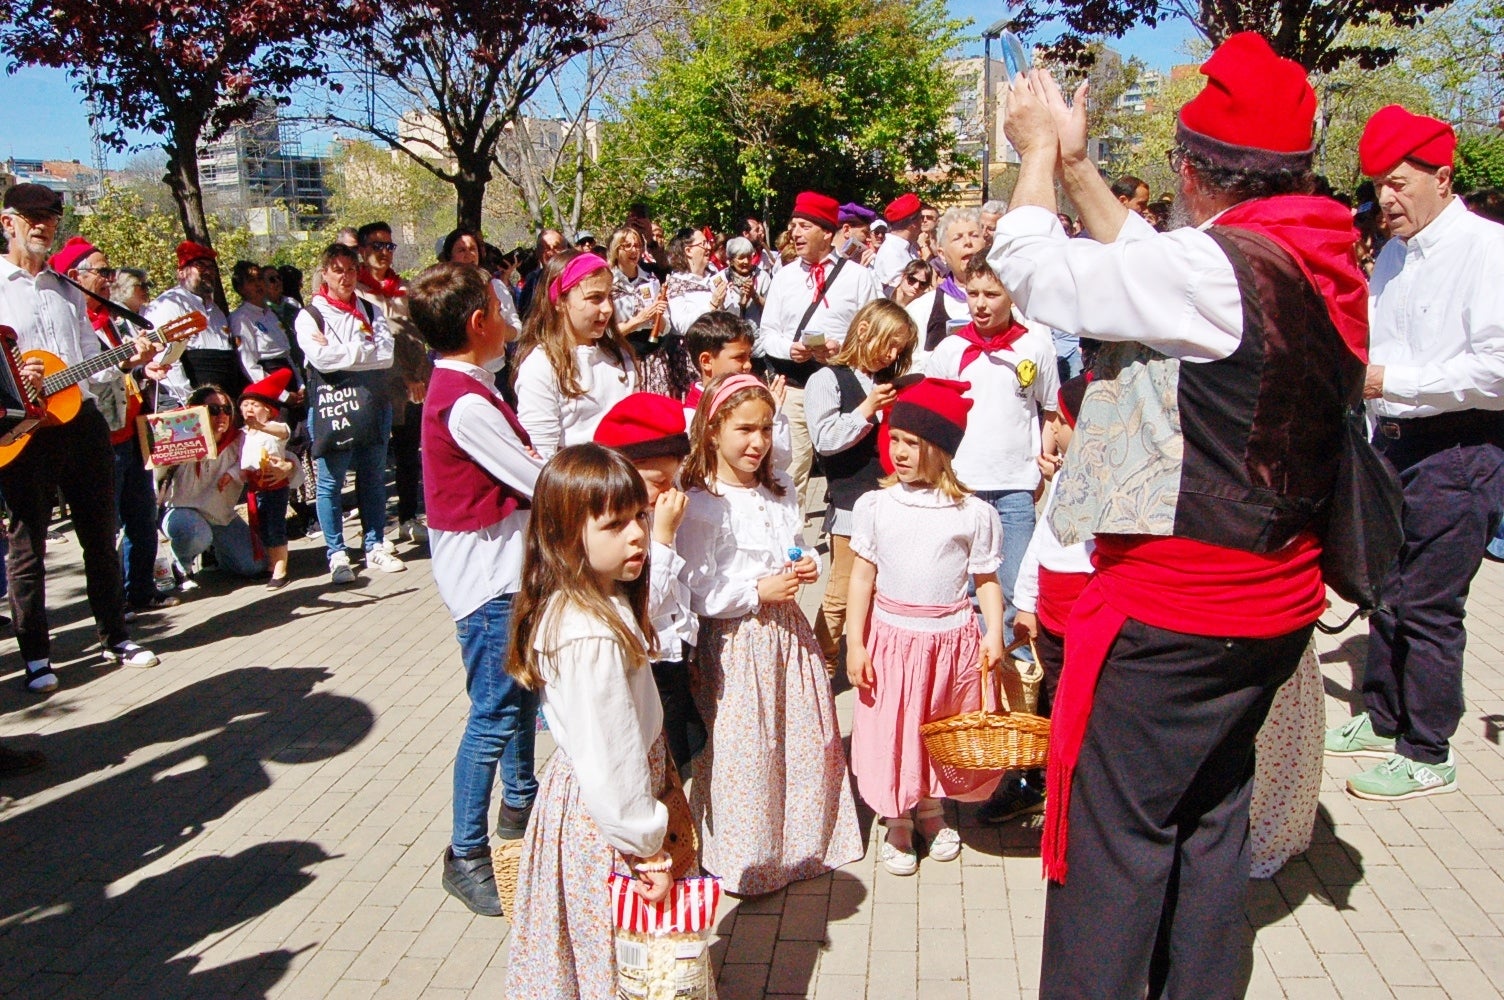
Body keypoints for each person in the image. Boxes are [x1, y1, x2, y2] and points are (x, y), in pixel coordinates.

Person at [993, 35, 1366, 997]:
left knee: (1117, 840)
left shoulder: (1216, 269)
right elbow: (1164, 268)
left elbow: (1032, 270)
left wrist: (1035, 155)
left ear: (1194, 172)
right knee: (1207, 817)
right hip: (1274, 603)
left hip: (1181, 611)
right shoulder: (1309, 249)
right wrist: (1081, 171)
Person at [1324, 105, 1504, 801]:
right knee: (1386, 591)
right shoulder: (1395, 254)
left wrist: (1390, 382)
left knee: (1429, 603)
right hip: (1392, 444)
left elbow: (1496, 371)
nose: (1386, 201)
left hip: (1461, 448)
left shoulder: (1487, 250)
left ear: (1442, 177)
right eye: (1378, 185)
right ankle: (1382, 714)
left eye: (1398, 183)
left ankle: (1427, 750)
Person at [677, 373, 864, 895]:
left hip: (786, 634)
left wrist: (800, 566)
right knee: (746, 749)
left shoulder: (777, 490)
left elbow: (792, 546)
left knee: (802, 739)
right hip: (736, 643)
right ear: (712, 430)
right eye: (743, 430)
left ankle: (803, 845)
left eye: (764, 429)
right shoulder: (703, 502)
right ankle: (749, 856)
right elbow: (698, 588)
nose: (757, 442)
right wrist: (757, 590)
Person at [501, 444, 677, 997]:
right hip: (608, 820)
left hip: (595, 808)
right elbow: (613, 755)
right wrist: (648, 846)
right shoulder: (588, 633)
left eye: (640, 518)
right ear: (565, 535)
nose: (637, 536)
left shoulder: (593, 600)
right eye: (615, 525)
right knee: (624, 957)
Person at [406, 261, 543, 918]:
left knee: (519, 702)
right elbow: (534, 480)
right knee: (491, 717)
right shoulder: (463, 402)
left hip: (506, 573)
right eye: (500, 302)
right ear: (479, 323)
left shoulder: (473, 386)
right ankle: (465, 854)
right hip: (488, 584)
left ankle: (522, 808)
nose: (511, 311)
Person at [0, 183, 161, 690]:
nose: (44, 224)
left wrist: (127, 359)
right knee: (29, 546)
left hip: (82, 421)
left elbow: (89, 368)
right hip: (25, 431)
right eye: (32, 216)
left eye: (51, 214)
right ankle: (36, 658)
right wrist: (14, 378)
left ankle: (115, 636)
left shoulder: (71, 289)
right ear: (8, 223)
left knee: (100, 533)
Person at [845, 377, 1005, 875]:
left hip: (950, 640)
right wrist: (855, 642)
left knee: (938, 724)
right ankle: (896, 816)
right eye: (894, 440)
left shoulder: (971, 513)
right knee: (895, 727)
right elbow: (862, 578)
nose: (899, 452)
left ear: (941, 450)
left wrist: (994, 633)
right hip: (892, 638)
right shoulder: (877, 506)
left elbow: (986, 580)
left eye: (912, 444)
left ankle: (932, 809)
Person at [924, 251, 1059, 650]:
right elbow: (934, 416)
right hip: (962, 483)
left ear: (1011, 297)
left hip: (1015, 483)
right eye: (973, 293)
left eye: (992, 295)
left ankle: (1012, 679)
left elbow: (1050, 410)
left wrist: (1042, 461)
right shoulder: (950, 350)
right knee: (965, 586)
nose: (980, 304)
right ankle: (970, 670)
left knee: (1016, 588)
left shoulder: (1035, 346)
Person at [50, 237, 176, 615]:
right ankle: (114, 601)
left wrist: (143, 367)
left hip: (131, 430)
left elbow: (122, 370)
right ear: (75, 276)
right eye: (102, 271)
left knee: (142, 517)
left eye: (110, 271)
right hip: (100, 435)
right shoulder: (75, 324)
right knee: (108, 525)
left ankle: (140, 590)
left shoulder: (113, 323)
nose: (109, 278)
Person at [593, 393, 703, 775]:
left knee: (681, 755)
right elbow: (644, 605)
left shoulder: (656, 512)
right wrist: (664, 539)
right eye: (659, 482)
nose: (669, 491)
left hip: (673, 656)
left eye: (674, 479)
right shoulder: (619, 535)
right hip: (643, 665)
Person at [755, 191, 882, 514]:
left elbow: (873, 331)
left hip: (843, 387)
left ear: (827, 232)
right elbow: (766, 334)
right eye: (793, 225)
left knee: (844, 468)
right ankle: (793, 546)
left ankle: (846, 540)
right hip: (795, 386)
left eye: (804, 226)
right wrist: (789, 348)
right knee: (792, 470)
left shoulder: (857, 277)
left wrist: (842, 349)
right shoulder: (783, 278)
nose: (795, 233)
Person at [806, 299, 916, 673]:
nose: (892, 353)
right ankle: (820, 668)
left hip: (890, 501)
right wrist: (867, 409)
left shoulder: (887, 382)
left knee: (881, 590)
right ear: (865, 330)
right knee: (840, 594)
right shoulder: (827, 379)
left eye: (899, 348)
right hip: (852, 506)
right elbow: (824, 440)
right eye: (889, 342)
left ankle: (869, 658)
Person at [295, 243, 406, 583]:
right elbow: (319, 359)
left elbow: (386, 356)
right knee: (331, 481)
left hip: (372, 404)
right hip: (332, 408)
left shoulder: (371, 310)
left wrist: (344, 351)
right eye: (338, 270)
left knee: (373, 475)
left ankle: (373, 544)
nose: (345, 276)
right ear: (325, 273)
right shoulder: (310, 315)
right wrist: (362, 350)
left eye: (351, 270)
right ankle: (337, 553)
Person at [514, 251, 640, 457]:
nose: (607, 308)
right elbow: (541, 454)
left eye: (610, 296)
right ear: (560, 301)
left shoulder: (619, 356)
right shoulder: (542, 365)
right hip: (575, 483)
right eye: (595, 298)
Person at [356, 221, 431, 546]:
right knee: (372, 460)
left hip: (412, 389)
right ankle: (372, 530)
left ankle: (407, 518)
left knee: (407, 454)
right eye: (377, 246)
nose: (384, 252)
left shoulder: (404, 290)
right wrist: (404, 376)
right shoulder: (356, 292)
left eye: (389, 246)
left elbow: (417, 340)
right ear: (362, 250)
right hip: (374, 390)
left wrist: (420, 378)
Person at [158, 384, 273, 584]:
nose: (222, 415)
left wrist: (287, 466)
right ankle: (181, 563)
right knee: (197, 533)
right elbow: (155, 475)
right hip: (181, 512)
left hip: (219, 516)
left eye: (227, 409)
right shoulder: (182, 438)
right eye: (213, 410)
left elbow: (267, 455)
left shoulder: (241, 440)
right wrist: (165, 456)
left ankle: (214, 554)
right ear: (196, 412)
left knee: (254, 566)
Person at [145, 241, 247, 404]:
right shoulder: (169, 304)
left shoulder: (216, 310)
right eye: (200, 266)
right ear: (181, 272)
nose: (208, 271)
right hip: (187, 399)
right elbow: (166, 359)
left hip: (221, 400)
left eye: (211, 267)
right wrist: (187, 399)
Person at [238, 370, 301, 589]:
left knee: (275, 526)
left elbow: (283, 432)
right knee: (261, 526)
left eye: (255, 405)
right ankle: (271, 563)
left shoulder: (276, 428)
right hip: (255, 487)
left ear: (268, 410)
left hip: (274, 486)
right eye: (245, 405)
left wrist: (261, 426)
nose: (249, 409)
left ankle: (280, 568)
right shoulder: (244, 434)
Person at [904, 207, 984, 366]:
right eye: (958, 238)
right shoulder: (922, 309)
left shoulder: (1009, 303)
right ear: (941, 254)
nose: (968, 242)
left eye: (974, 235)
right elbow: (909, 365)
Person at [228, 261, 297, 383]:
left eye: (259, 279)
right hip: (269, 379)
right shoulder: (241, 318)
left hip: (290, 375)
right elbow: (248, 364)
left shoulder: (271, 314)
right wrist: (281, 393)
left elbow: (287, 352)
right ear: (240, 289)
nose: (258, 284)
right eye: (251, 281)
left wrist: (300, 383)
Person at [664, 229, 725, 335]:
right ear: (688, 251)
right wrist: (712, 305)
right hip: (692, 347)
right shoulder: (676, 283)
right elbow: (682, 326)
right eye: (703, 244)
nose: (709, 247)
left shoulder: (714, 274)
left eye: (708, 243)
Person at [872, 193, 923, 295]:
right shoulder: (892, 251)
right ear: (913, 223)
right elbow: (904, 293)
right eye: (921, 218)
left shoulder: (908, 248)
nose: (923, 222)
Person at [516, 228, 568, 319]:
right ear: (537, 253)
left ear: (566, 250)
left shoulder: (575, 279)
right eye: (546, 248)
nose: (551, 253)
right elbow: (523, 315)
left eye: (556, 247)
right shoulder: (532, 281)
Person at [721, 236, 770, 326]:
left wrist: (754, 295)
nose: (746, 261)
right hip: (732, 333)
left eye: (749, 257)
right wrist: (741, 304)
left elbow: (771, 310)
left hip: (757, 336)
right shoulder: (722, 279)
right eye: (741, 258)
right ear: (731, 260)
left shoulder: (762, 277)